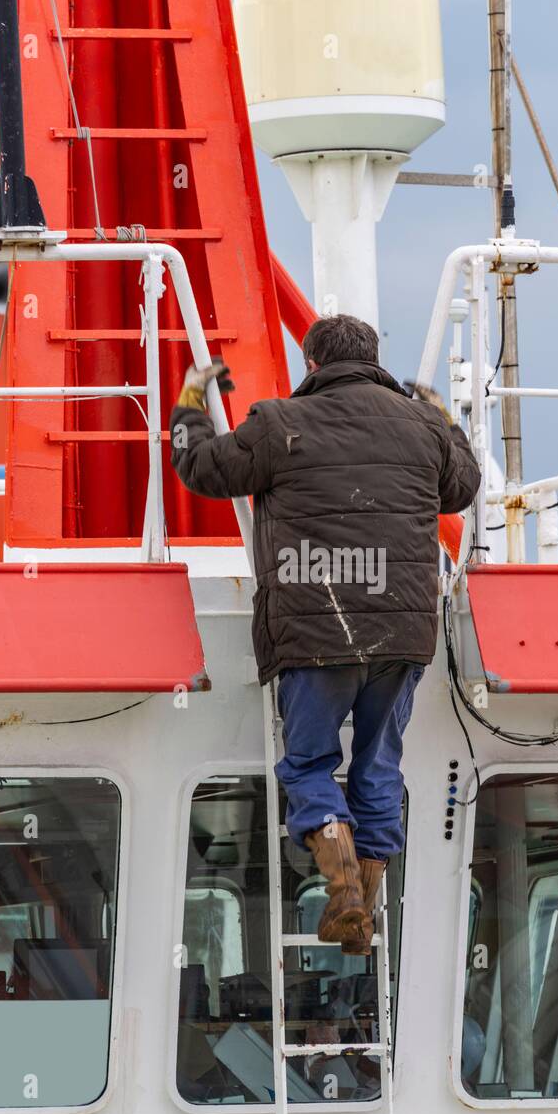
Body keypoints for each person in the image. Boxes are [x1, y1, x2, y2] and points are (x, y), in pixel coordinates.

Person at [170, 314, 480, 953]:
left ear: (311, 364)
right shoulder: (422, 427)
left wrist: (191, 403)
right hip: (403, 633)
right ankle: (361, 901)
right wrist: (443, 416)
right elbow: (464, 486)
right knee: (378, 767)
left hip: (316, 634)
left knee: (309, 764)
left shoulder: (280, 422)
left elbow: (202, 469)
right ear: (374, 360)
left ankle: (344, 891)